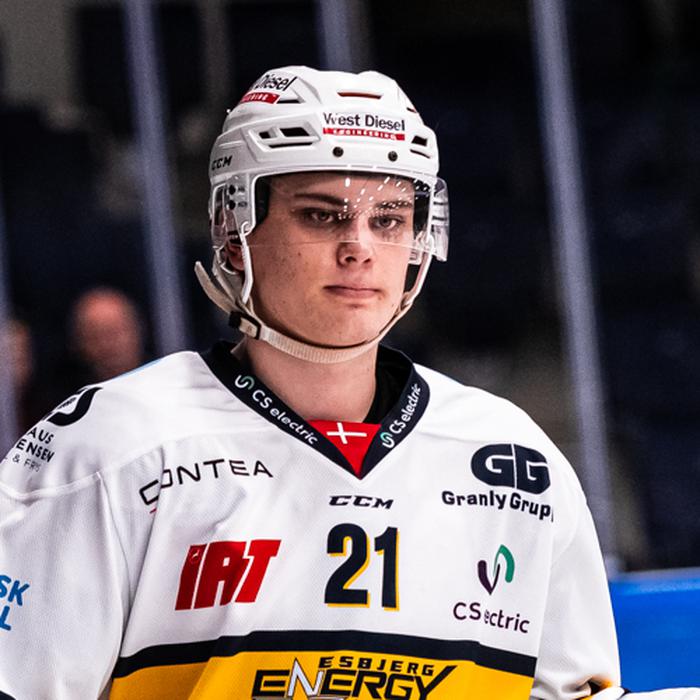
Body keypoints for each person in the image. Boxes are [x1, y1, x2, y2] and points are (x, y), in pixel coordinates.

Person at [0, 66, 696, 700]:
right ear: (232, 229)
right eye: (321, 215)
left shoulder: (515, 463)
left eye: (388, 219)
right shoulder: (109, 449)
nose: (360, 246)